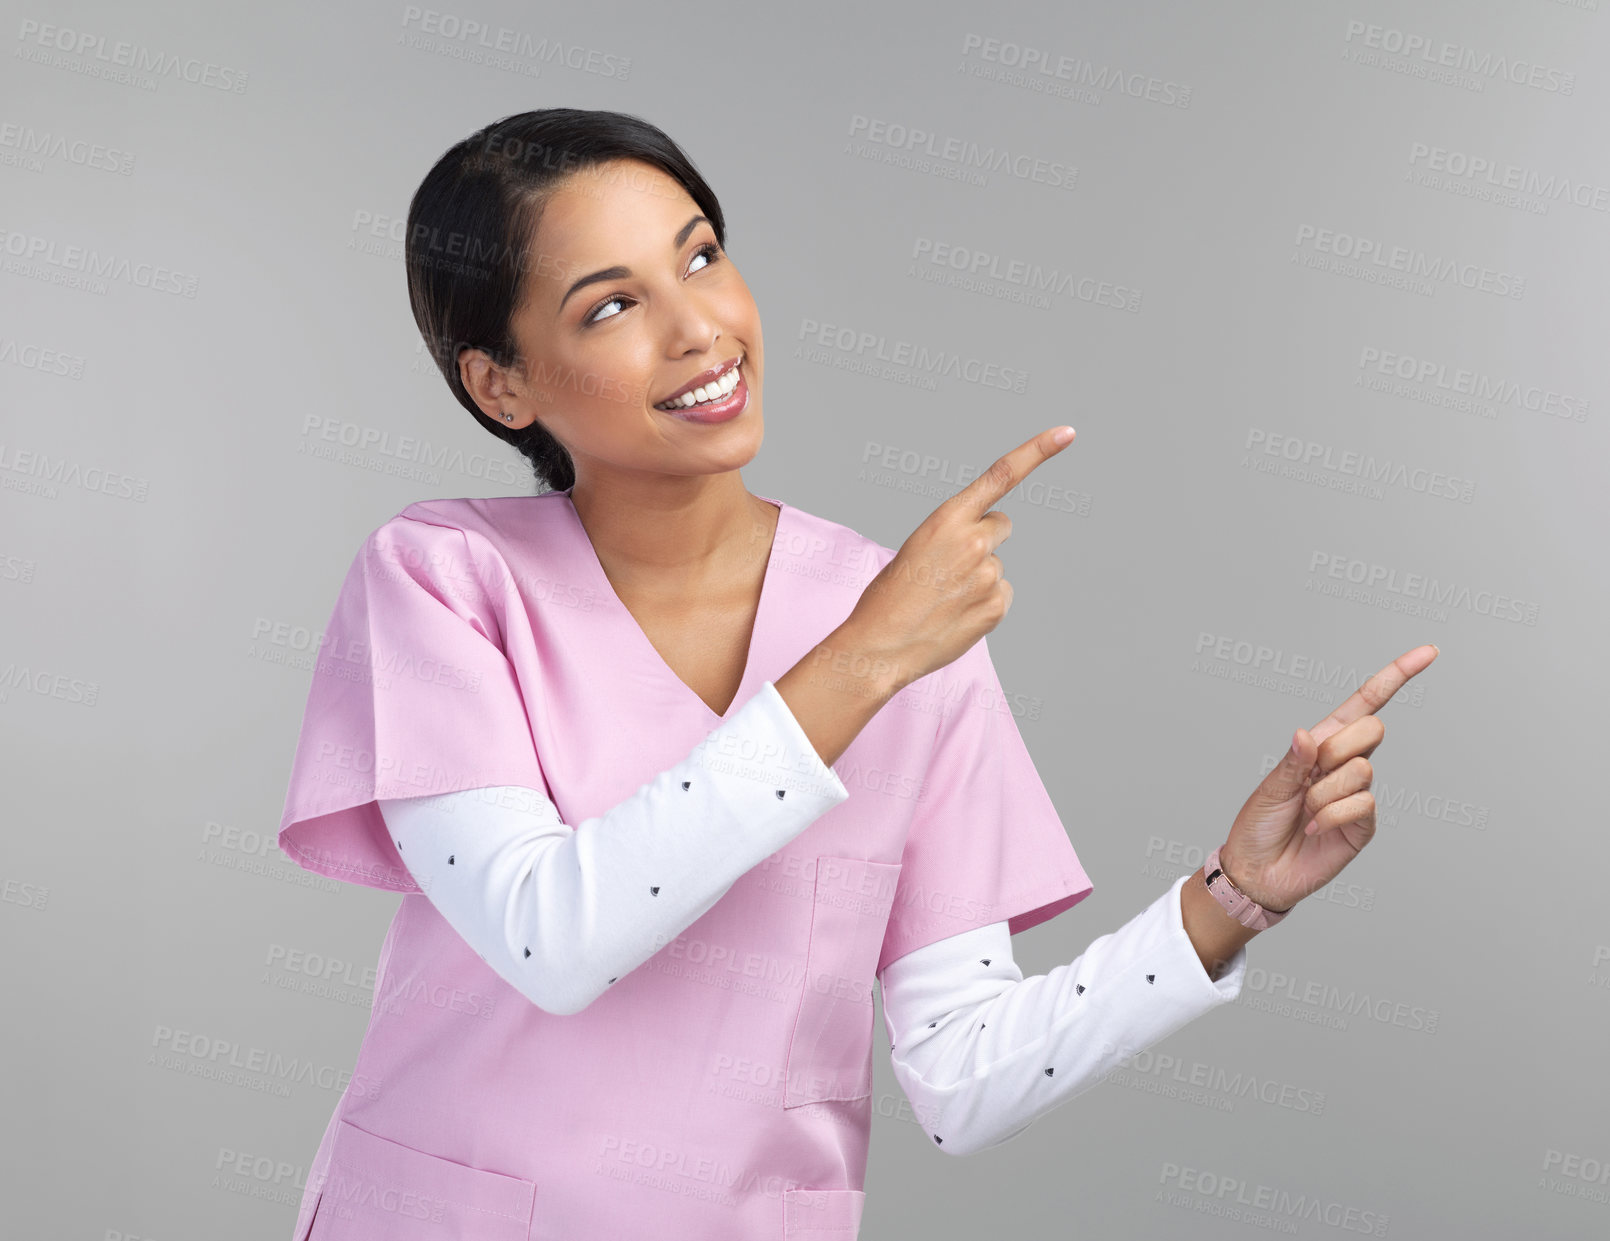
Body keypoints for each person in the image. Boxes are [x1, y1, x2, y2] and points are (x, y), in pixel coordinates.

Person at [276, 108, 1438, 1240]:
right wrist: (862, 661)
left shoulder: (901, 615)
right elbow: (553, 936)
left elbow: (963, 1074)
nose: (700, 328)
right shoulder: (441, 580)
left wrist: (1229, 899)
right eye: (614, 304)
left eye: (703, 256)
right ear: (501, 387)